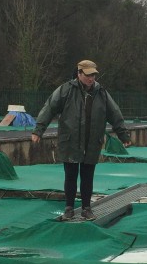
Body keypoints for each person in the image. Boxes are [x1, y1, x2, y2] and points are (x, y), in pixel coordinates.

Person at [31, 59, 130, 221]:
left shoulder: (101, 93)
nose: (91, 78)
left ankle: (86, 208)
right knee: (70, 175)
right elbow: (49, 108)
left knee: (87, 176)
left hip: (92, 141)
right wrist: (38, 130)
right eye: (88, 75)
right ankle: (69, 208)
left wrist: (123, 135)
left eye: (93, 75)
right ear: (79, 74)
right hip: (70, 140)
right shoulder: (66, 90)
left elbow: (115, 113)